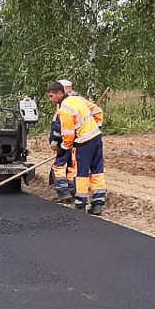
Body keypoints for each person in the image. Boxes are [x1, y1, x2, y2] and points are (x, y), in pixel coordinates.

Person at [48, 81, 107, 215]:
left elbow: (68, 133)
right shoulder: (78, 100)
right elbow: (98, 111)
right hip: (96, 138)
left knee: (81, 172)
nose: (50, 99)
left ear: (59, 93)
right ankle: (98, 203)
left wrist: (64, 147)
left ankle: (80, 204)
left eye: (51, 96)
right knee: (97, 171)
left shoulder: (65, 109)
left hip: (84, 142)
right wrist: (96, 128)